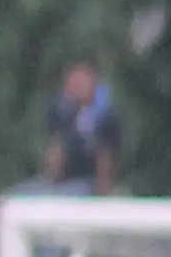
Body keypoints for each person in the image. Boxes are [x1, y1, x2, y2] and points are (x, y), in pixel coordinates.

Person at [39, 62, 121, 193]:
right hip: (60, 182)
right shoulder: (61, 111)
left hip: (88, 182)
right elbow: (55, 148)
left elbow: (106, 157)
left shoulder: (105, 115)